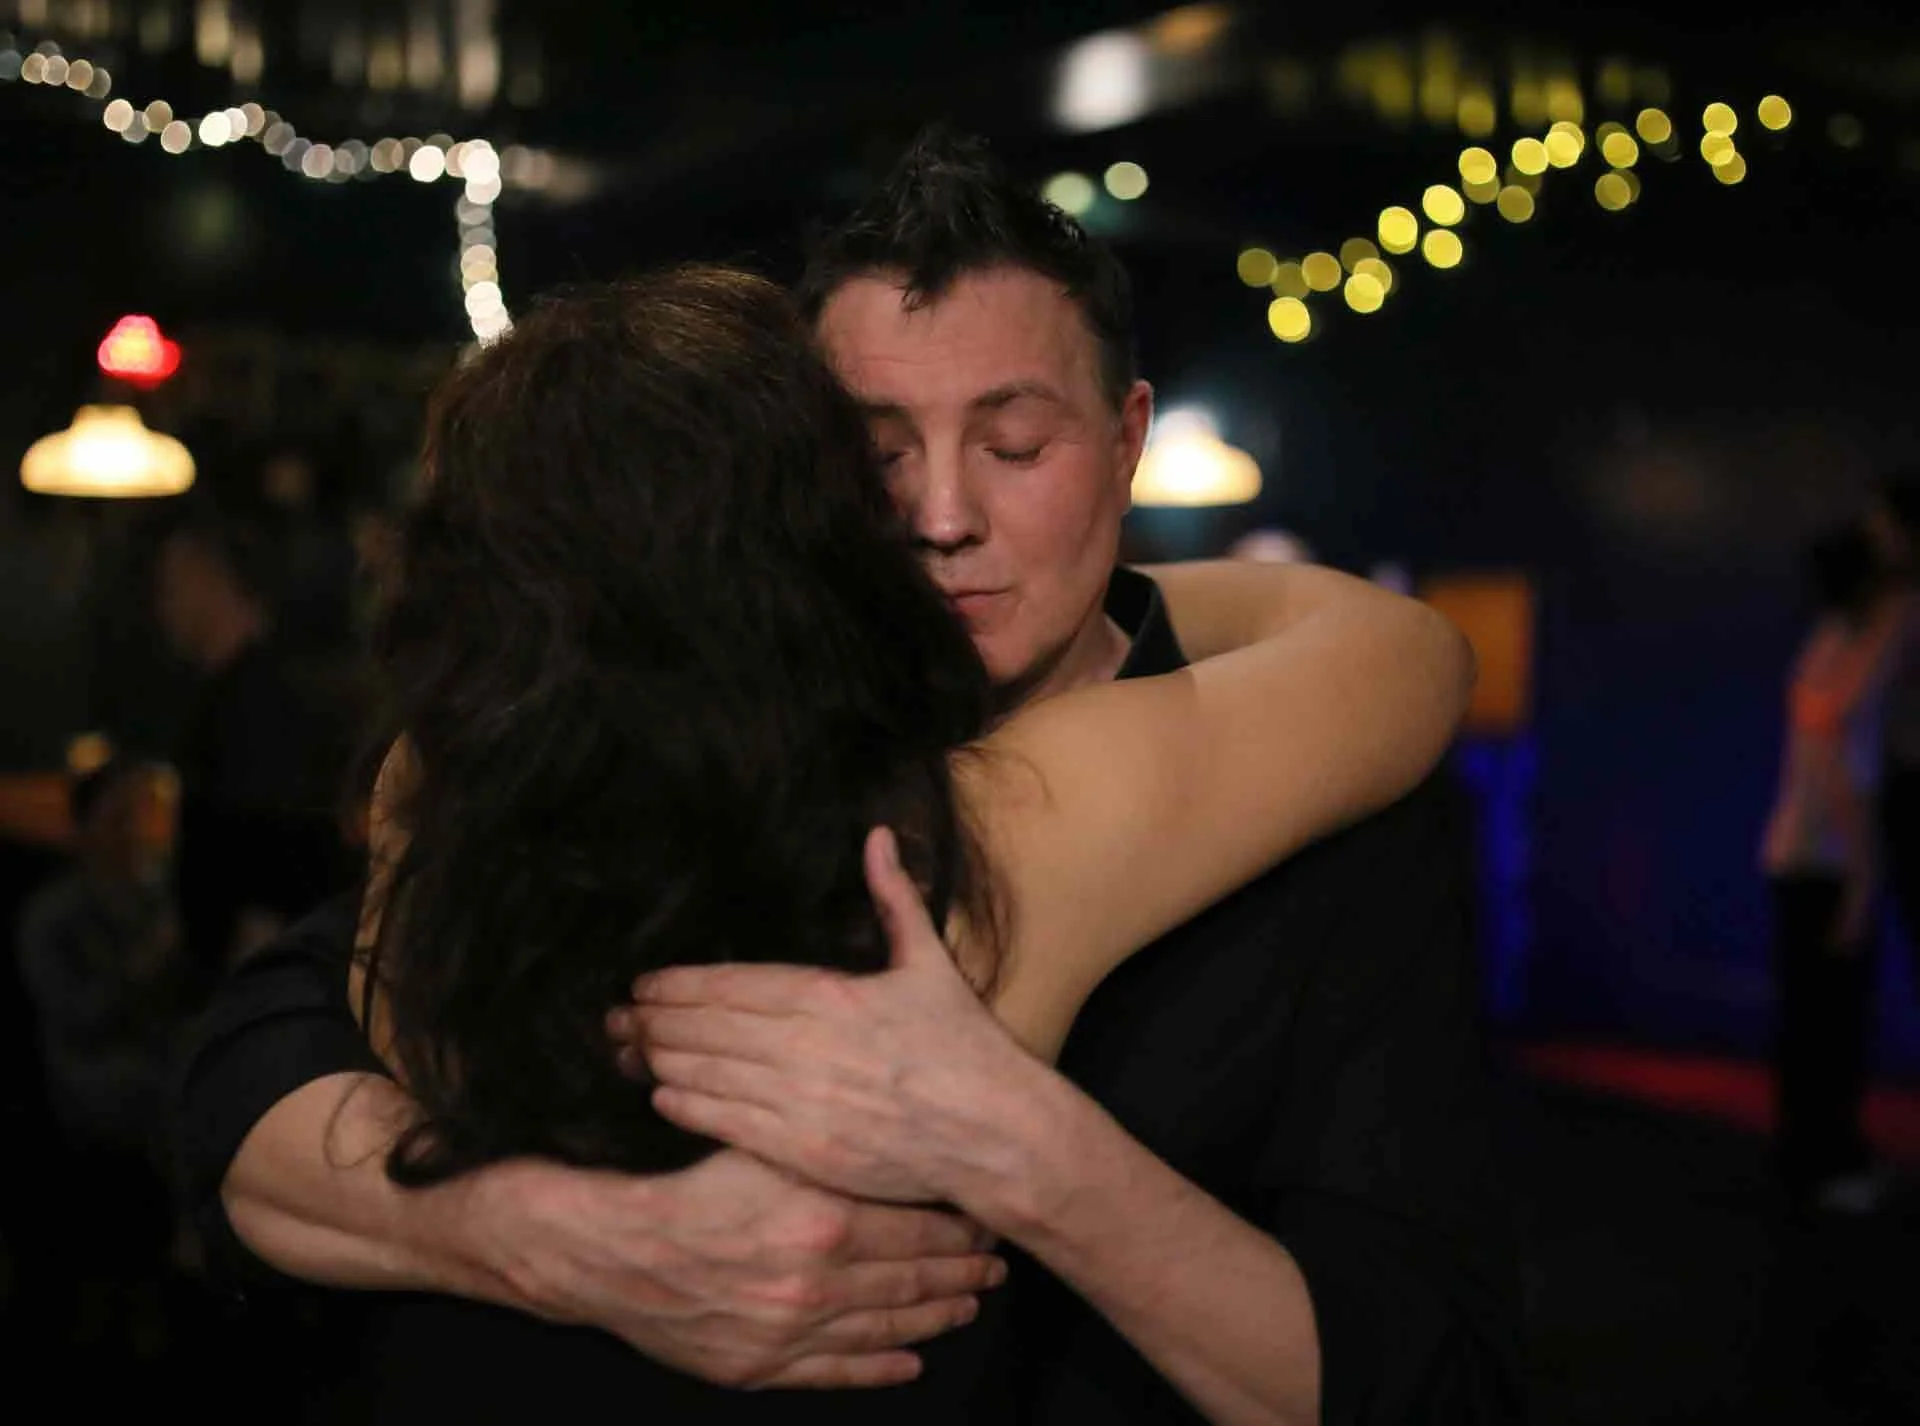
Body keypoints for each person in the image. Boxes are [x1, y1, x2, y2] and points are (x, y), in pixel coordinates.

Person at [174, 132, 1520, 1421]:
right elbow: (247, 1065)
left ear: (1127, 440)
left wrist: (1023, 1145)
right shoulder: (637, 775)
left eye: (1015, 445)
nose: (942, 517)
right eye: (876, 458)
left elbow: (1421, 1382)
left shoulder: (1335, 815)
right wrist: (580, 1239)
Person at [1761, 522, 1907, 1215]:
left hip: (1807, 859)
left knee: (1816, 1021)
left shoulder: (1826, 645)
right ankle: (1823, 1163)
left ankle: (1816, 1158)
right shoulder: (1839, 655)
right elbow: (1839, 764)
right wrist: (1861, 878)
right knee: (1828, 1024)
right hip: (1821, 863)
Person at [154, 511, 359, 988]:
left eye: (172, 583)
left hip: (258, 986)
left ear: (210, 578)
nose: (162, 604)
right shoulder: (229, 694)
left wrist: (245, 997)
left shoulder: (262, 700)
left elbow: (273, 852)